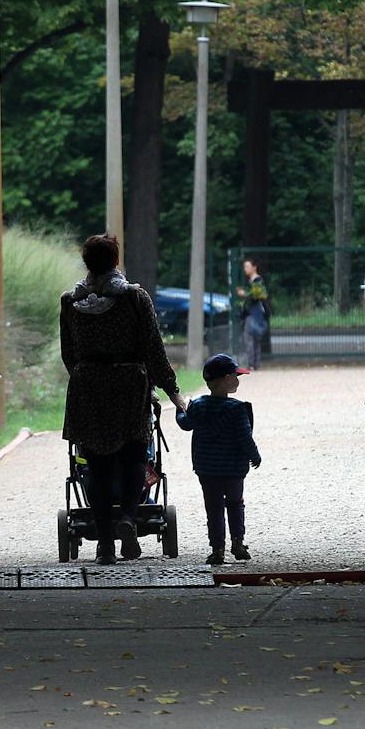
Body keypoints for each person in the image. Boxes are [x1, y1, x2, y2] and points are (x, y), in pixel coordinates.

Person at [60, 233, 185, 564]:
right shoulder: (134, 298)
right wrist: (172, 391)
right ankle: (129, 517)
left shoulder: (70, 302)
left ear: (86, 263)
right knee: (134, 456)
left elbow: (68, 354)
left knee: (97, 466)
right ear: (116, 261)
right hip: (129, 384)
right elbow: (153, 349)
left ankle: (105, 545)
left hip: (88, 387)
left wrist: (87, 376)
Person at [176, 352, 261, 566]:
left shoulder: (198, 405)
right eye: (236, 376)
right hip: (233, 470)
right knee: (235, 504)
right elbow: (245, 438)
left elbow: (185, 423)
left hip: (207, 470)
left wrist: (180, 408)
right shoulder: (238, 409)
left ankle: (217, 549)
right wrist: (254, 456)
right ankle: (238, 543)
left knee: (213, 509)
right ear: (227, 379)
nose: (238, 380)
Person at [236, 258, 270, 370]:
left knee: (250, 337)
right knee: (254, 338)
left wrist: (244, 294)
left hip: (255, 313)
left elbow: (256, 296)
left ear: (254, 267)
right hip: (253, 313)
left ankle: (252, 364)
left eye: (247, 266)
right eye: (244, 267)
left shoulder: (258, 280)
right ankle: (255, 364)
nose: (245, 269)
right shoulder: (251, 281)